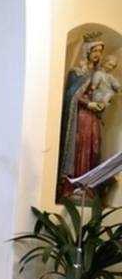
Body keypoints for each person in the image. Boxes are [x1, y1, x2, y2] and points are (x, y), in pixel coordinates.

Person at [58, 33, 106, 200]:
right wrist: (88, 104)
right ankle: (73, 186)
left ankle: (88, 188)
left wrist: (101, 104)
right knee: (81, 149)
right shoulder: (77, 73)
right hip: (81, 118)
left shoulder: (101, 74)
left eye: (100, 51)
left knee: (93, 149)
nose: (98, 54)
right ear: (87, 51)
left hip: (93, 119)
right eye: (95, 50)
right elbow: (71, 96)